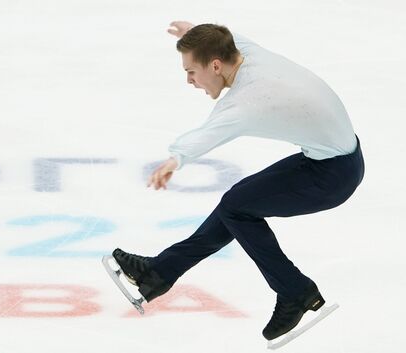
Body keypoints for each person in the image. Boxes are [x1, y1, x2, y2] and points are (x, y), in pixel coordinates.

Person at [112, 21, 365, 340]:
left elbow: (207, 133)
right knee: (235, 203)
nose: (190, 81)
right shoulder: (245, 54)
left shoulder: (245, 103)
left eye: (192, 71)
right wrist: (195, 34)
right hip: (336, 157)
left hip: (331, 176)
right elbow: (228, 38)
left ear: (215, 65)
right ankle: (157, 274)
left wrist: (175, 159)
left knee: (236, 208)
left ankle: (295, 292)